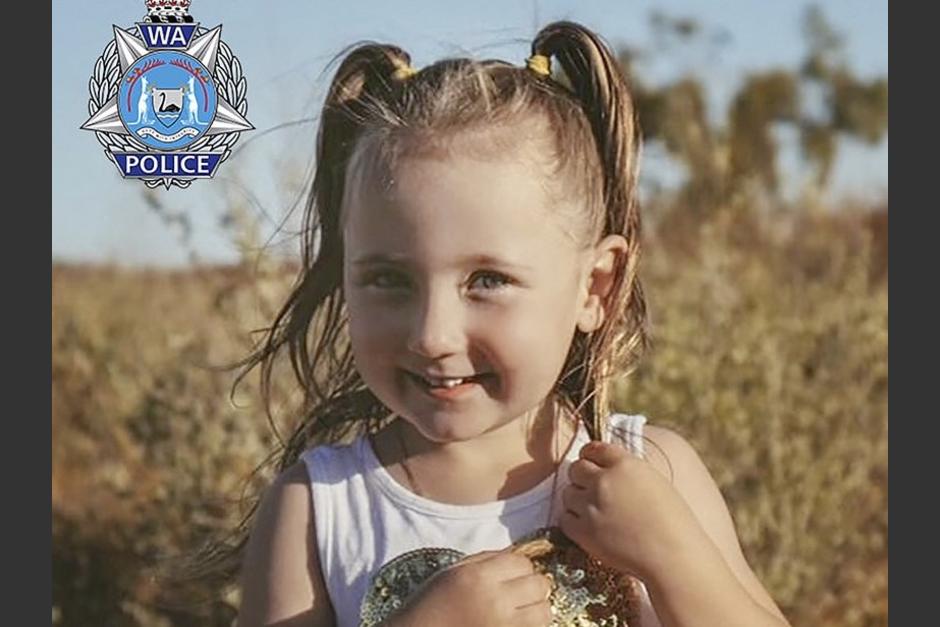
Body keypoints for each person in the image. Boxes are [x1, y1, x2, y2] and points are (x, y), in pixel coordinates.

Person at [233, 20, 791, 627]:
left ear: (595, 286)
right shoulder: (317, 509)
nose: (431, 334)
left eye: (487, 281)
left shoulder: (655, 472)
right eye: (390, 280)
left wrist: (674, 557)